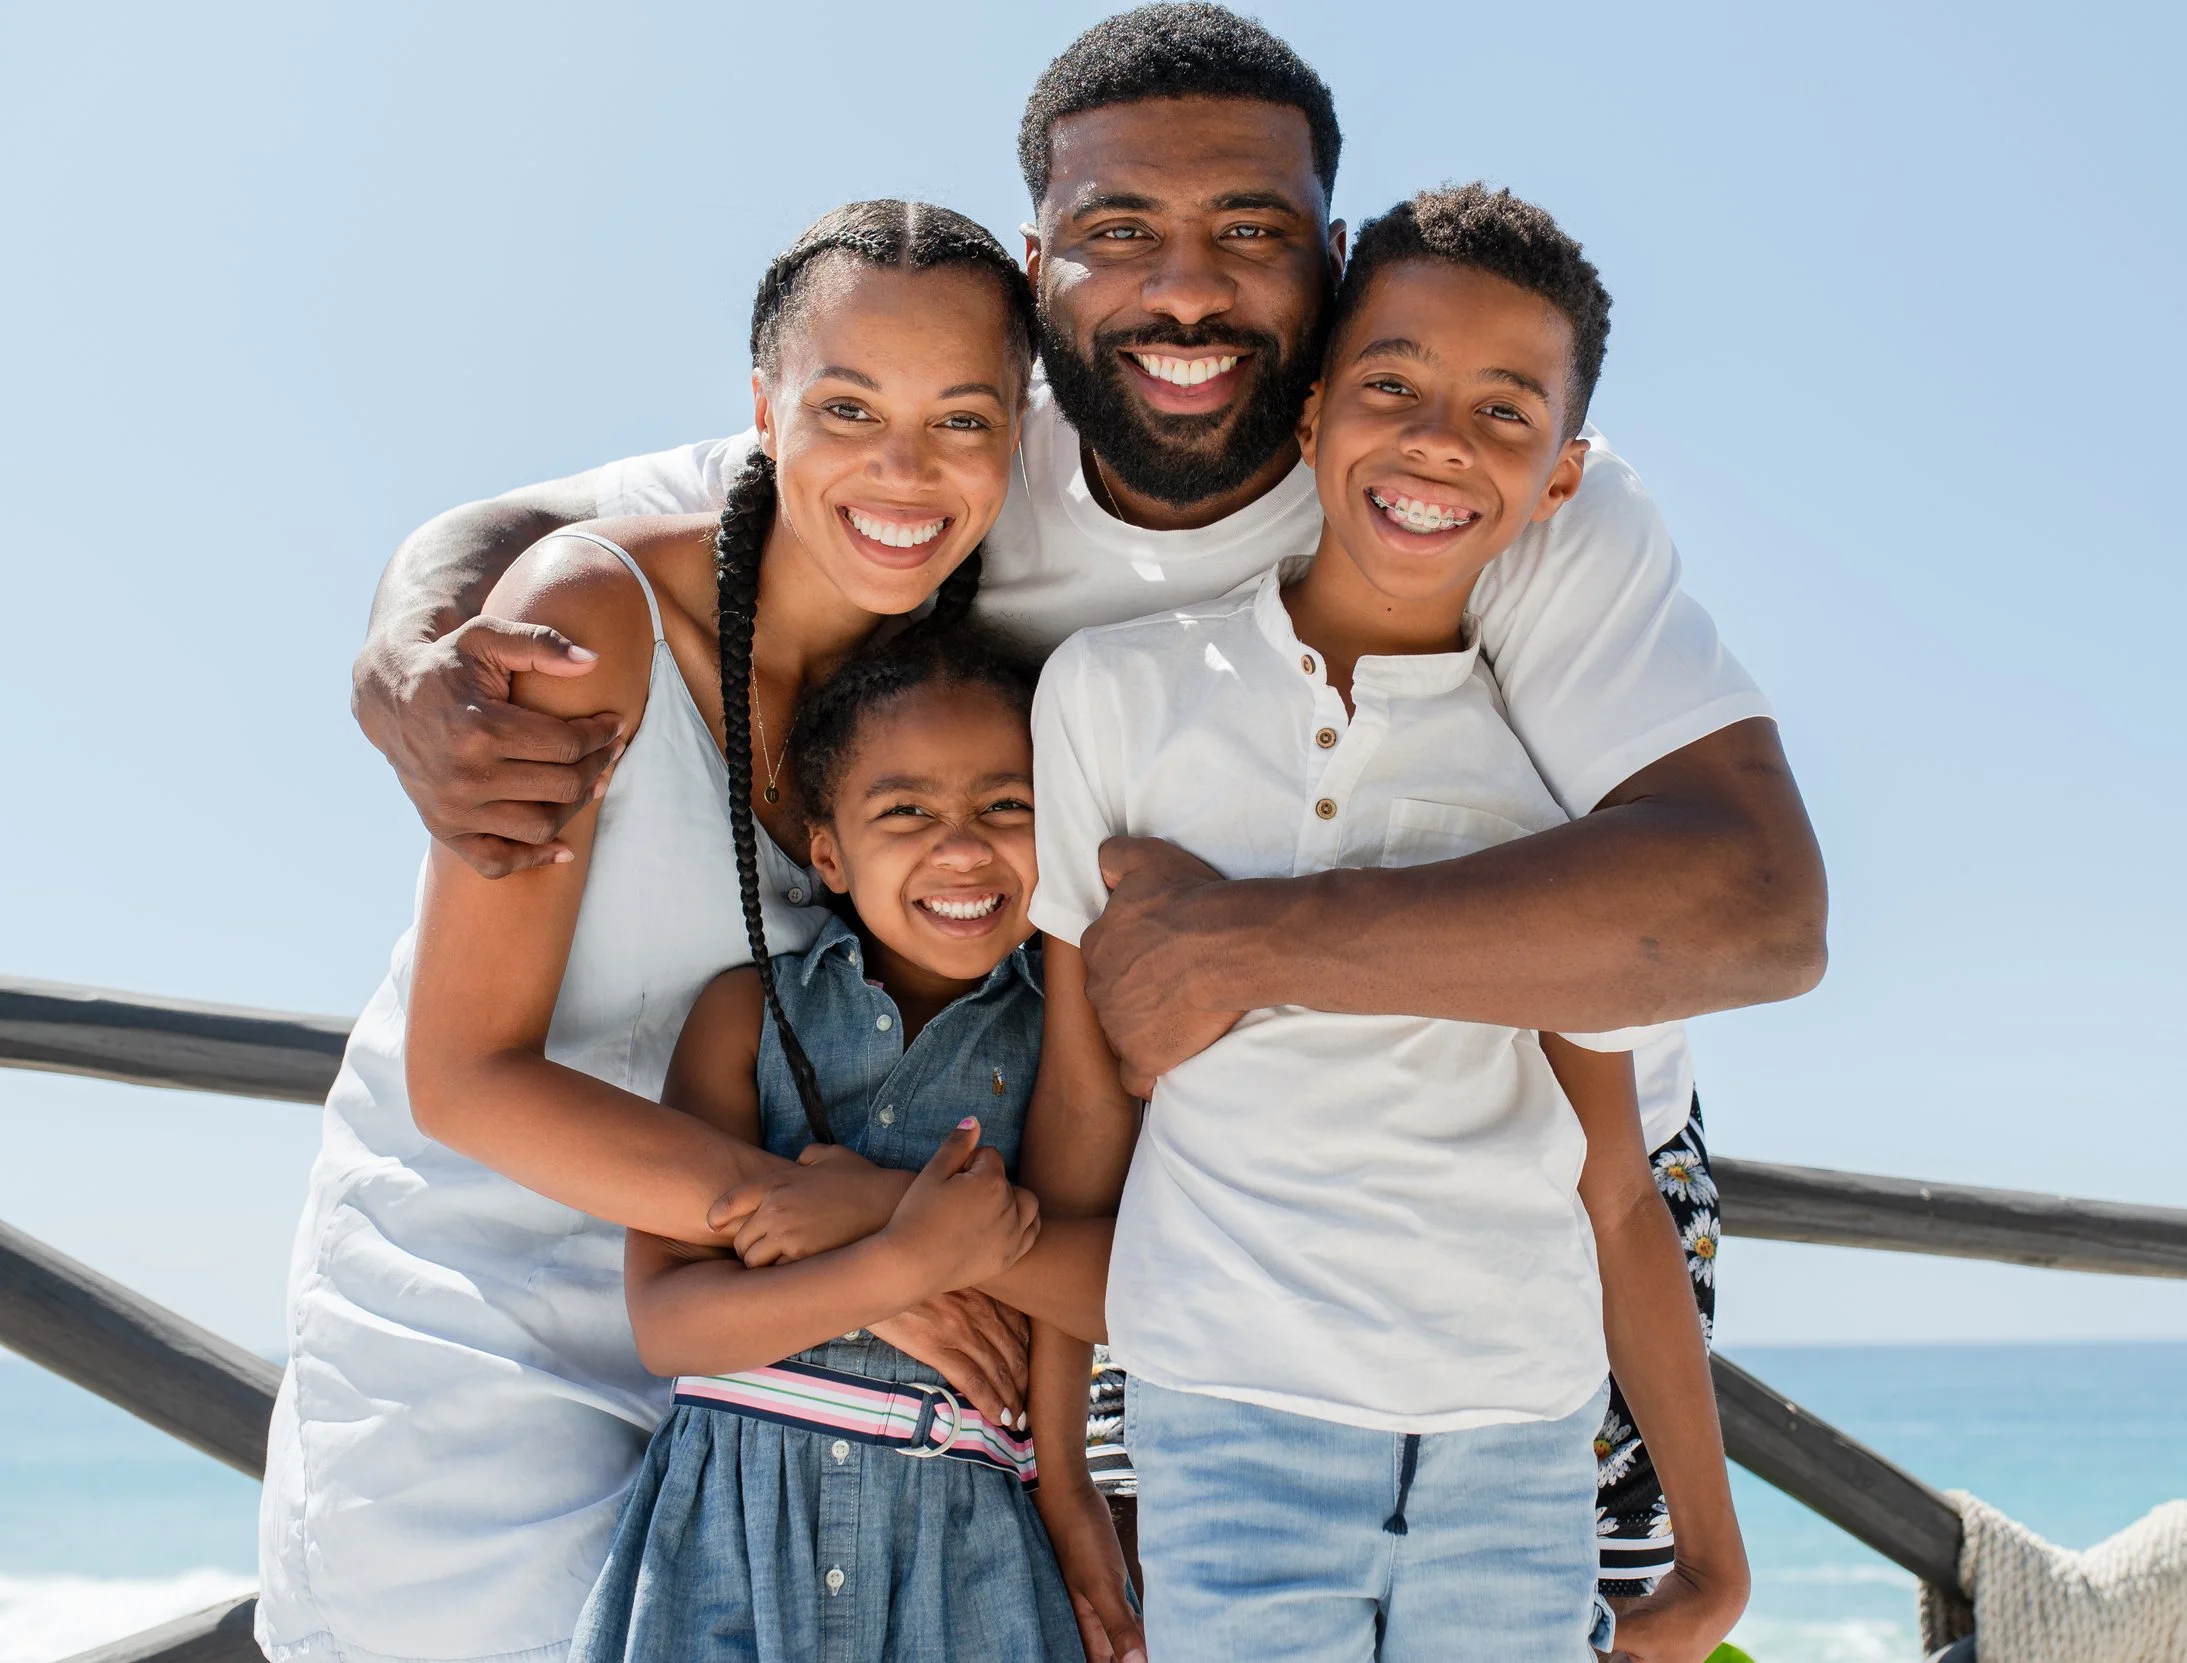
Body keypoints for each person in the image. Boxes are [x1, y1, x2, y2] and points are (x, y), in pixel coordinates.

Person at [342, 2, 1826, 1642]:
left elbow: (1761, 902)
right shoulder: (966, 450)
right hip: (1209, 1216)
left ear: (1329, 258)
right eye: (1120, 234)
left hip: (1552, 1193)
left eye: (1248, 234)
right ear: (1041, 265)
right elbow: (573, 517)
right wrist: (410, 637)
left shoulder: (1500, 473)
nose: (1184, 289)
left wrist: (1252, 945)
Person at [259, 202, 1071, 1663]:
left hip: (770, 1350)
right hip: (488, 1317)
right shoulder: (591, 617)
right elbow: (466, 1073)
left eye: (962, 416)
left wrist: (861, 1263)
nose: (905, 467)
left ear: (1021, 432)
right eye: (845, 408)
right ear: (762, 410)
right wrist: (865, 1228)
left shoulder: (934, 703)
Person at [1022, 183, 1748, 1663]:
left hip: (1516, 1435)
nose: (1436, 441)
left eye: (1504, 412)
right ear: (1309, 419)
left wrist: (1713, 1551)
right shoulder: (1113, 694)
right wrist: (1061, 1460)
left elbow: (1612, 1182)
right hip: (1230, 1418)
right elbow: (1083, 1110)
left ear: (1562, 480)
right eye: (1394, 386)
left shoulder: (1554, 785)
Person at [574, 629, 1095, 1663]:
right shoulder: (744, 1016)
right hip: (725, 1527)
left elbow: (1116, 1289)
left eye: (1007, 807)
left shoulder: (1066, 1044)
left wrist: (866, 1205)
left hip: (964, 1538)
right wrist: (902, 1259)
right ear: (826, 851)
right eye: (906, 811)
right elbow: (671, 1323)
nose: (961, 847)